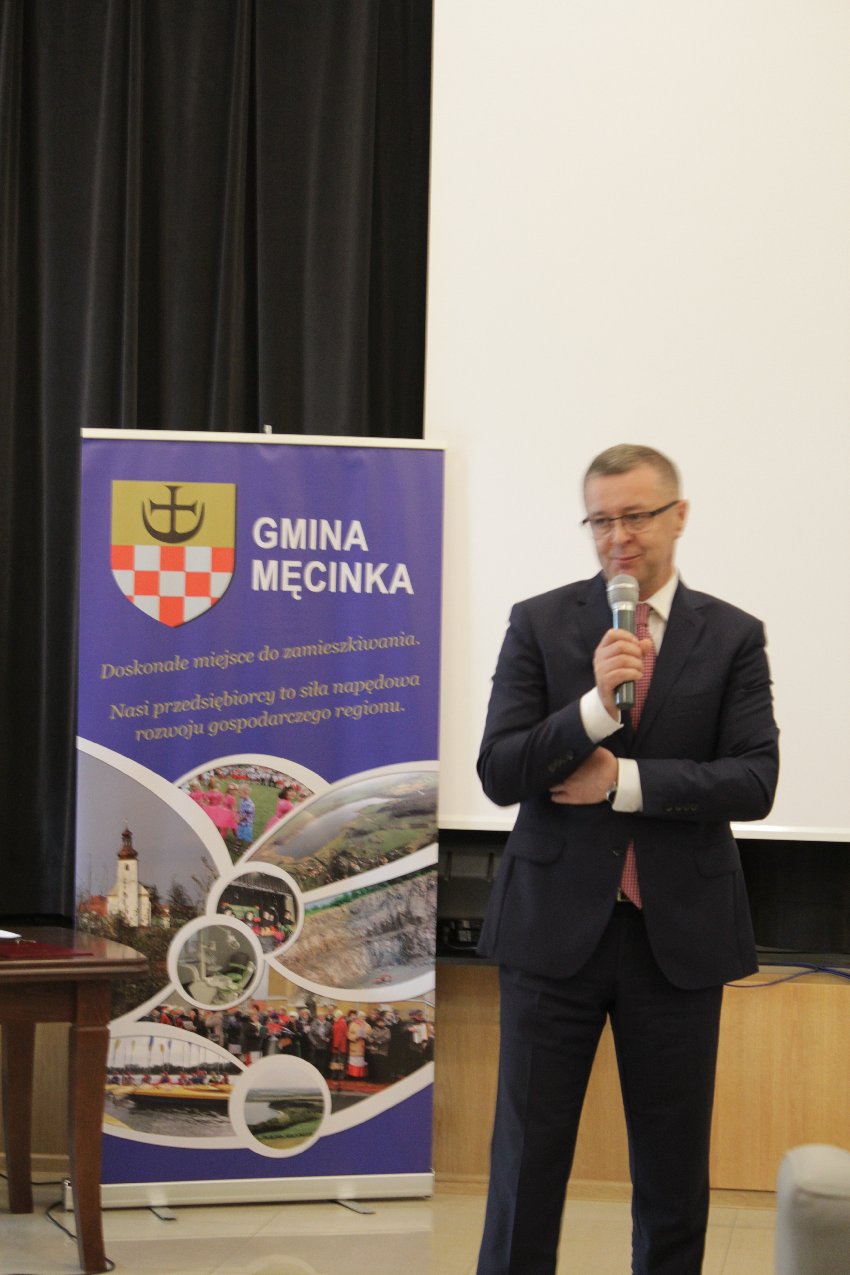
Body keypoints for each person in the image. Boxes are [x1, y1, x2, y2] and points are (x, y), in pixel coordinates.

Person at [474, 444, 779, 1275]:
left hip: (676, 938)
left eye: (636, 515)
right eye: (601, 520)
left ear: (679, 516)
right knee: (525, 1168)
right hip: (551, 937)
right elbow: (499, 769)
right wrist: (589, 711)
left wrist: (623, 780)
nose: (619, 537)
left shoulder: (732, 635)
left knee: (673, 1176)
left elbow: (755, 780)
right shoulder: (539, 621)